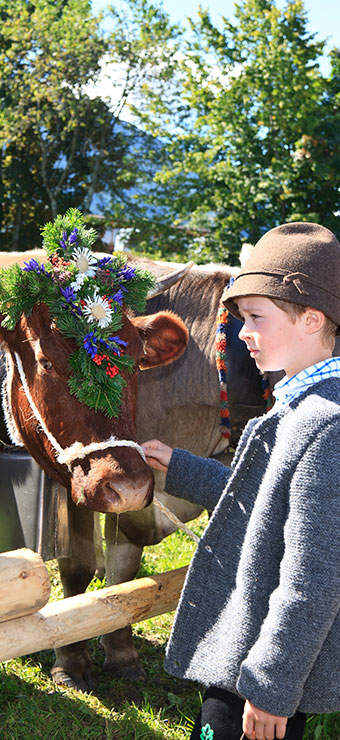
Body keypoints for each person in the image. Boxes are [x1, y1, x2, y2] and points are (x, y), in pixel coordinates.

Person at [142, 222, 340, 740]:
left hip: (261, 671)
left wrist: (271, 688)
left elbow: (313, 580)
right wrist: (179, 466)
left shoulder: (326, 425)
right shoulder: (302, 406)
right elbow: (262, 500)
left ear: (312, 319)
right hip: (249, 654)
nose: (241, 333)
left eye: (255, 317)